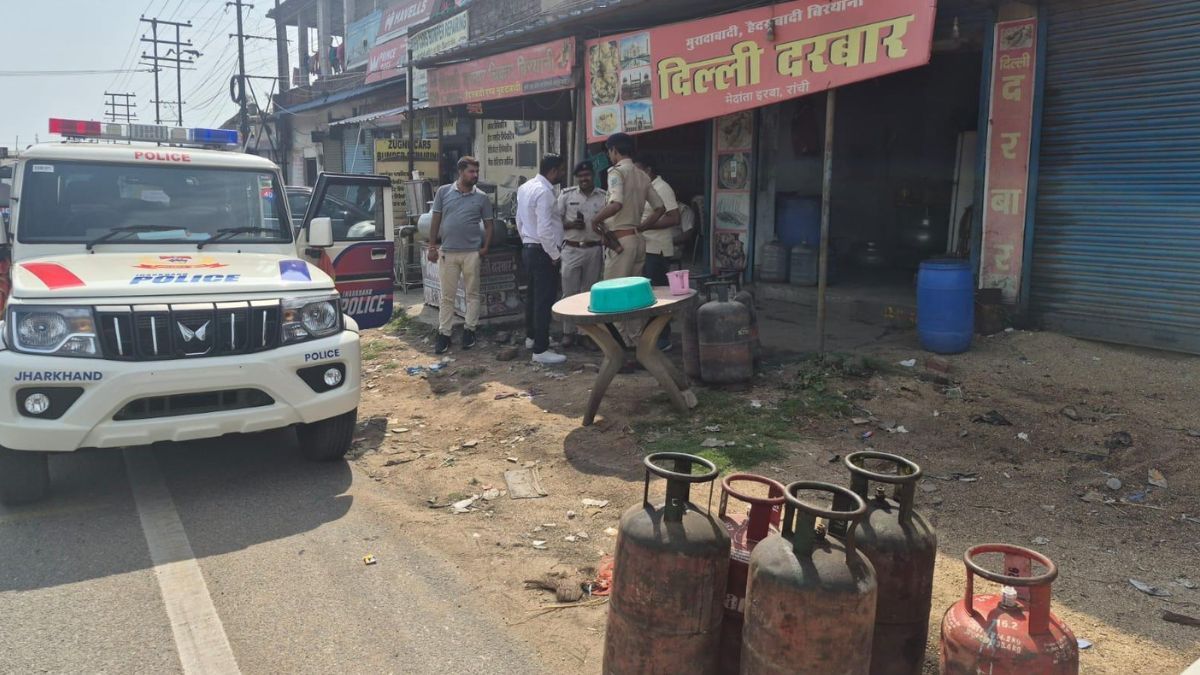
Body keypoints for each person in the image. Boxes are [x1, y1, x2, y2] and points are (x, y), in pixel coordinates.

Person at [590, 132, 664, 346]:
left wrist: (595, 220)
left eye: (609, 151)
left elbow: (616, 203)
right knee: (633, 296)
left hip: (620, 242)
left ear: (613, 150)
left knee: (614, 295)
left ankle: (619, 348)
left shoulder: (616, 172)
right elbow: (659, 208)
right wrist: (640, 227)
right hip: (637, 240)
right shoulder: (642, 175)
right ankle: (635, 343)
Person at [427, 157, 494, 355]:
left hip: (471, 253)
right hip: (448, 252)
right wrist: (432, 246)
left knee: (472, 294)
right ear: (460, 172)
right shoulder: (443, 192)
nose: (475, 175)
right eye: (471, 171)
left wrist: (485, 247)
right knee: (447, 296)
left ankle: (469, 331)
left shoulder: (481, 197)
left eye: (476, 172)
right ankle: (444, 334)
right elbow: (436, 220)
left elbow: (489, 224)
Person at [517, 154, 568, 365]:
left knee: (532, 297)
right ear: (554, 171)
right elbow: (545, 228)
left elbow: (519, 220)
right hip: (542, 250)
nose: (563, 175)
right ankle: (541, 349)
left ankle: (532, 337)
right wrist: (554, 254)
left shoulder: (525, 187)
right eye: (561, 170)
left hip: (530, 247)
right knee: (543, 300)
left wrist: (526, 241)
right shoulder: (545, 193)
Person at [556, 161, 606, 349]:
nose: (584, 179)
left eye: (587, 175)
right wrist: (569, 225)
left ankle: (586, 333)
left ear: (593, 175)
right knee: (569, 292)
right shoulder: (566, 195)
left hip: (594, 249)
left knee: (589, 293)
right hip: (571, 249)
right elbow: (554, 221)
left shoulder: (603, 196)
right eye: (581, 176)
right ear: (576, 178)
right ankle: (568, 332)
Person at [634, 154, 681, 351]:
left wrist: (645, 226)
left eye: (638, 171)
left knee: (658, 296)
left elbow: (674, 218)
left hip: (658, 249)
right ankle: (649, 336)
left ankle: (662, 339)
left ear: (649, 170)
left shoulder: (662, 188)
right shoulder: (643, 189)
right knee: (646, 295)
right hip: (645, 248)